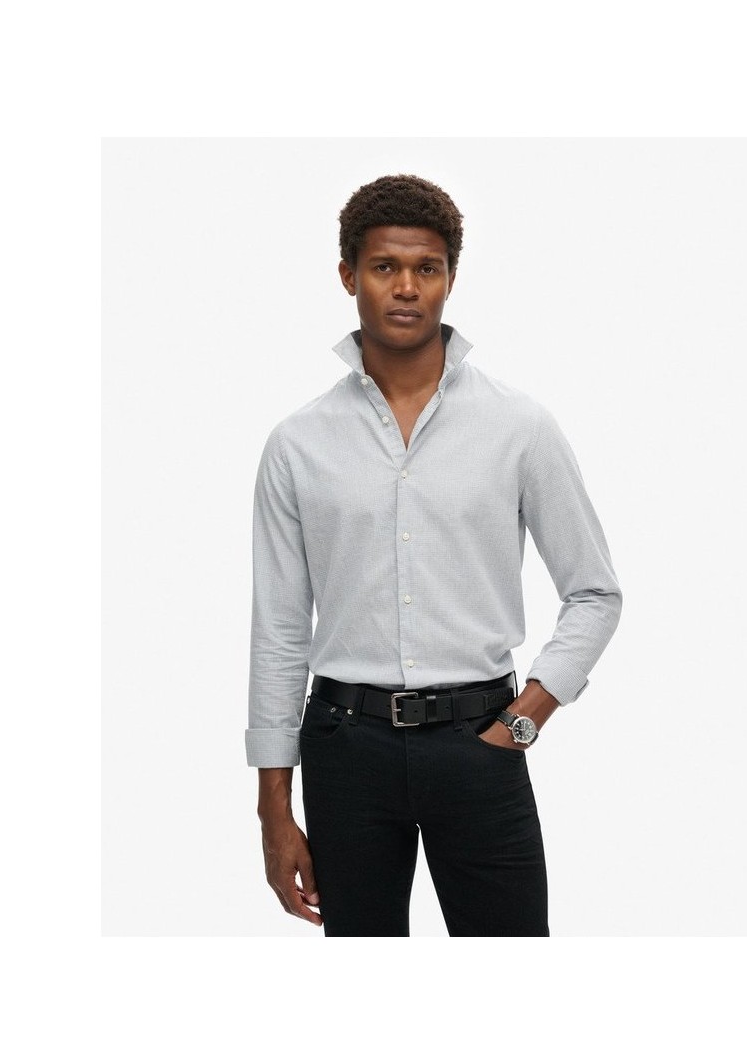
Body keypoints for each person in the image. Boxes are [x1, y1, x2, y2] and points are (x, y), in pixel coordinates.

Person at [245, 174, 622, 936]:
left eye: (428, 268)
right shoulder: (298, 444)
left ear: (452, 277)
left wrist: (523, 722)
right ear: (349, 275)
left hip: (480, 743)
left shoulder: (519, 428)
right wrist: (273, 808)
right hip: (345, 752)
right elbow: (281, 630)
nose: (407, 288)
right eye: (385, 267)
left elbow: (594, 593)